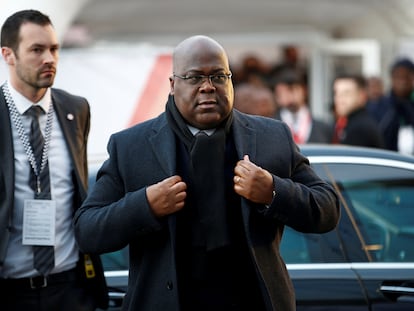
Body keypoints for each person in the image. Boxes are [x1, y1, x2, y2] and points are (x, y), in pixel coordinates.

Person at [74, 35, 340, 311]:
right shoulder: (131, 146)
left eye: (218, 76)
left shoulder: (272, 137)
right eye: (194, 77)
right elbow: (88, 230)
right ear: (173, 84)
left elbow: (328, 209)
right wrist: (146, 205)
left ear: (231, 81)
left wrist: (273, 191)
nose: (208, 87)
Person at [0, 10, 107, 310]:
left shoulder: (76, 108)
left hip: (71, 287)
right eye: (37, 49)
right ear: (8, 54)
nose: (49, 58)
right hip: (10, 291)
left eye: (54, 49)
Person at [366, 58, 414, 154]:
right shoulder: (380, 107)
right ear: (392, 78)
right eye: (399, 77)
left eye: (407, 77)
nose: (403, 82)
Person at [273, 68, 332, 144]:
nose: (288, 95)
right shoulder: (269, 128)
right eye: (282, 92)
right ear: (276, 96)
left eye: (292, 89)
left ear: (304, 90)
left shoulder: (324, 128)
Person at [331, 74, 384, 148]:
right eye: (336, 93)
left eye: (346, 93)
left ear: (361, 96)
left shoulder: (360, 129)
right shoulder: (348, 123)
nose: (339, 99)